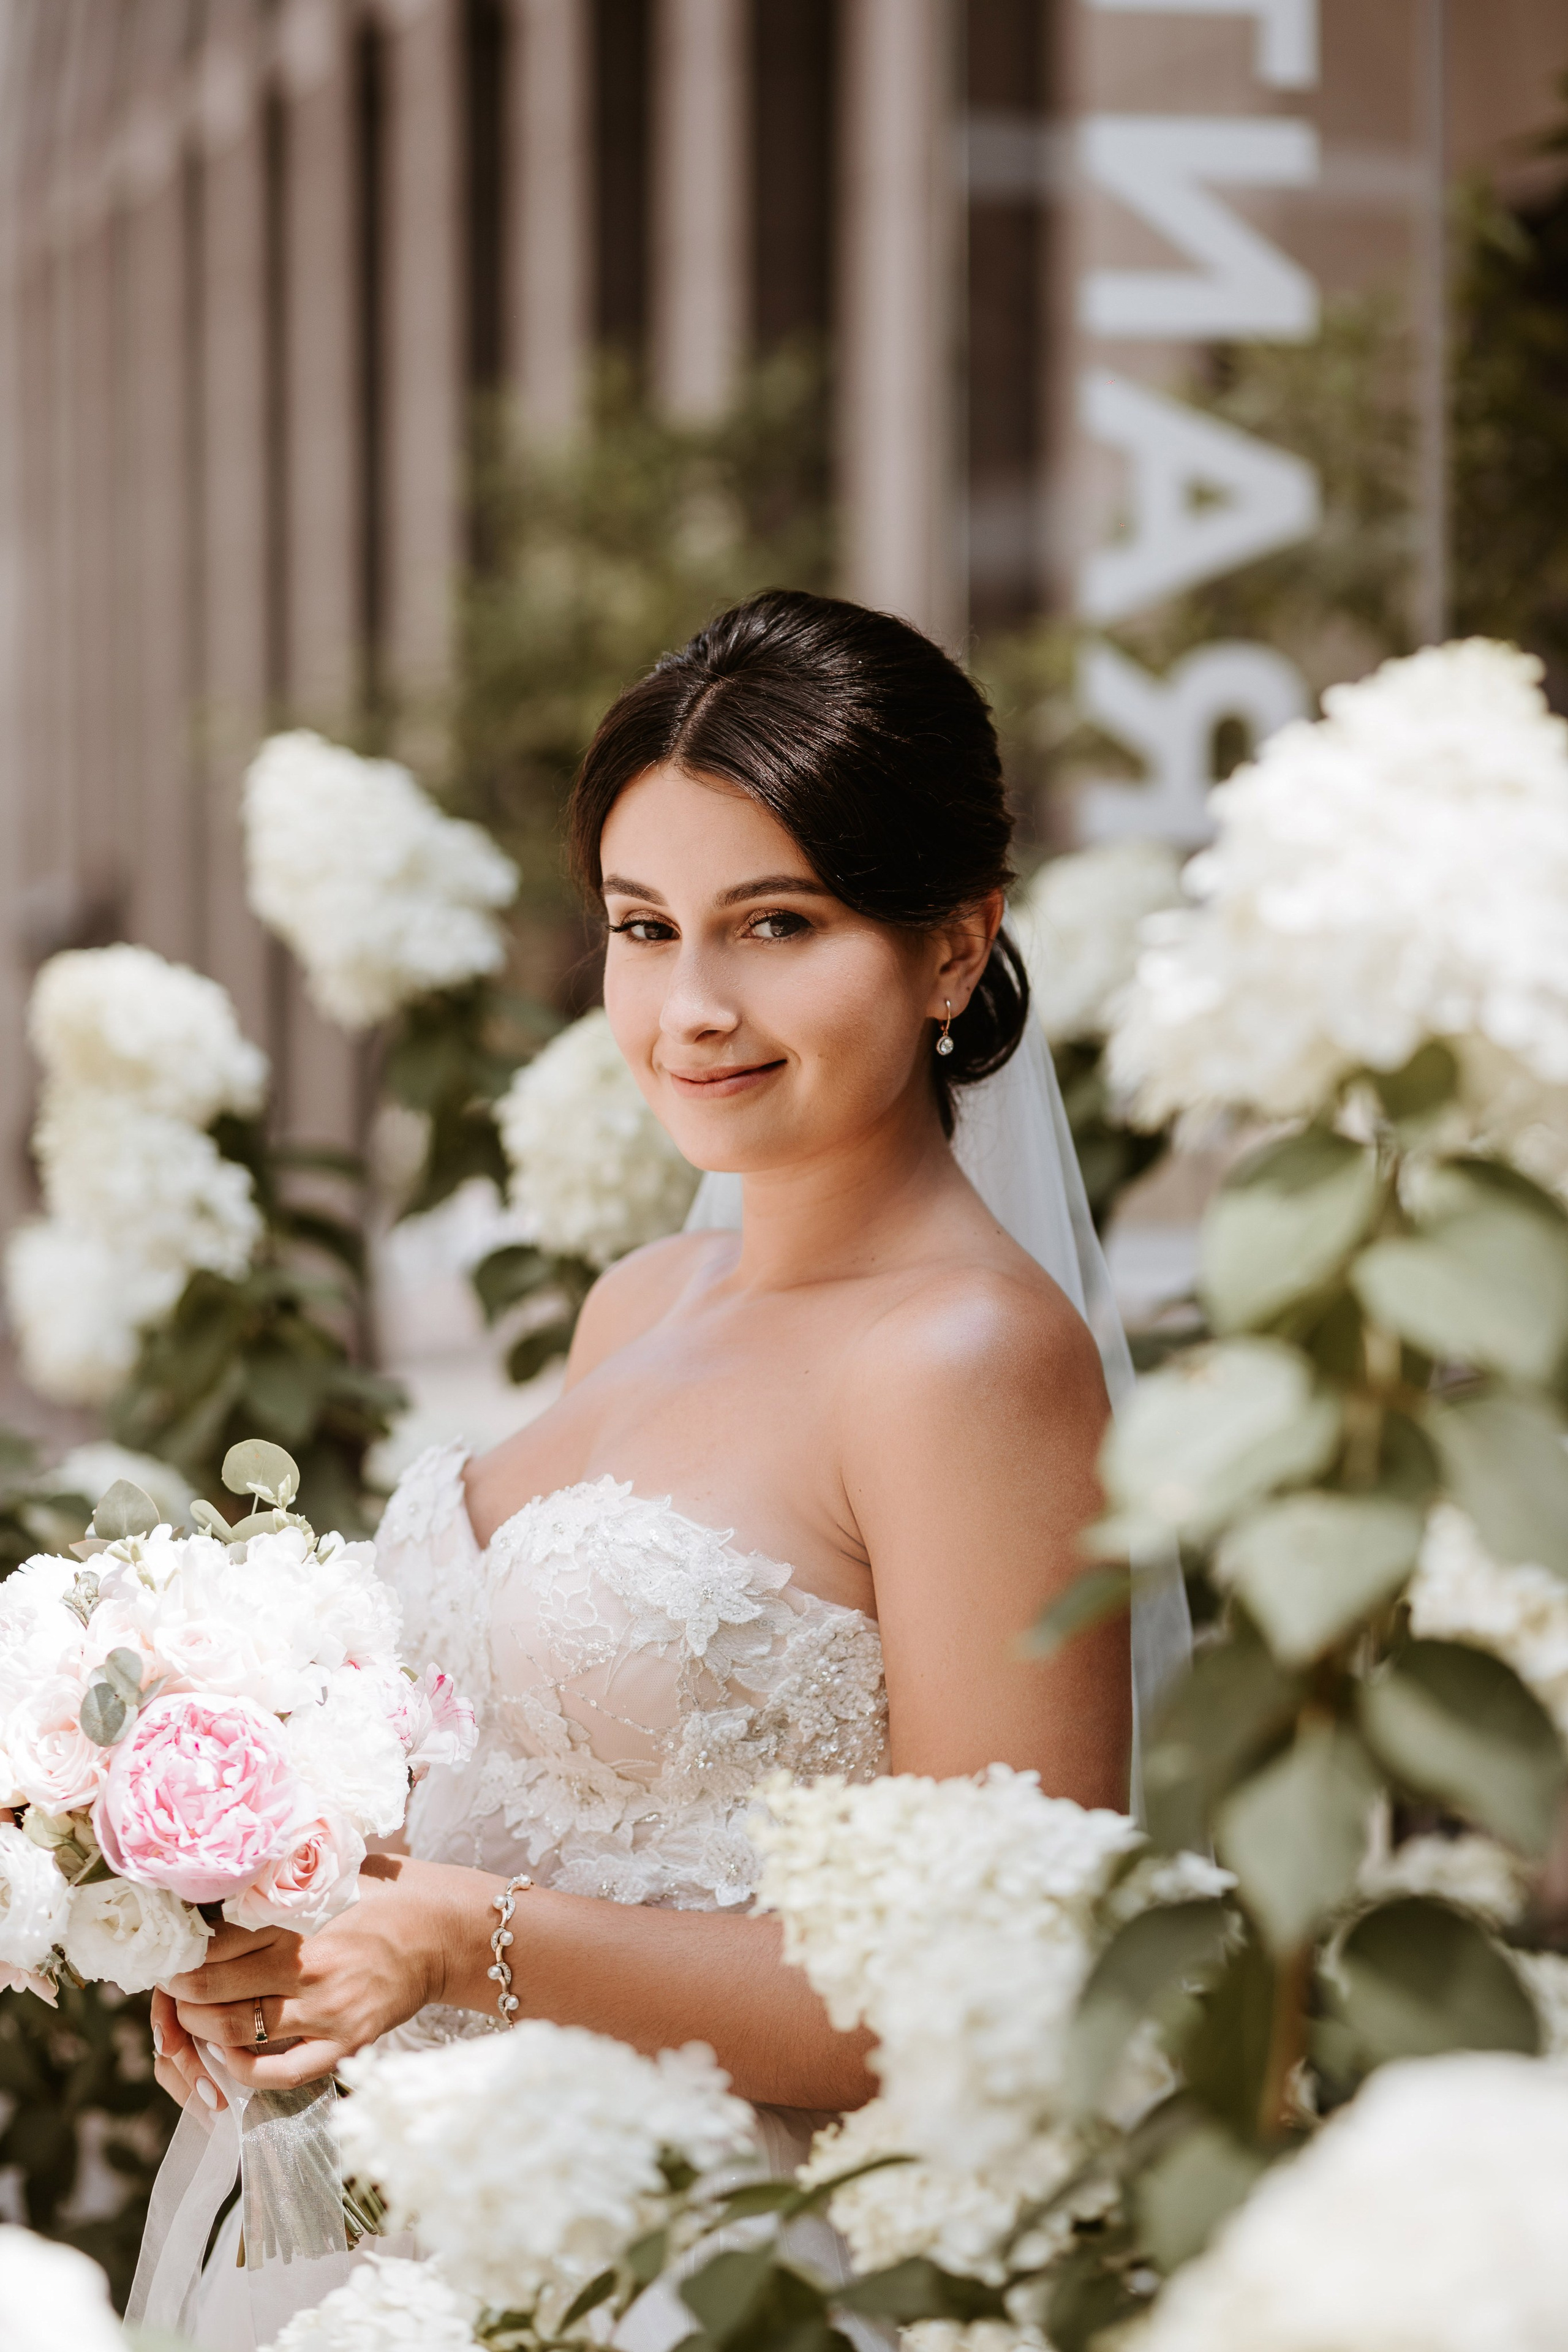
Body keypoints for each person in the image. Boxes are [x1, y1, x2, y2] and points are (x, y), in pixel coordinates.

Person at [150, 589, 1138, 2333]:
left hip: (689, 2268)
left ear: (954, 949)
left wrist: (463, 1941)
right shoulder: (638, 1297)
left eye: (774, 923)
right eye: (642, 925)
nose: (691, 1005)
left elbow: (997, 1979)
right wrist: (267, 1947)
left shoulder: (970, 1364)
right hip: (394, 2223)